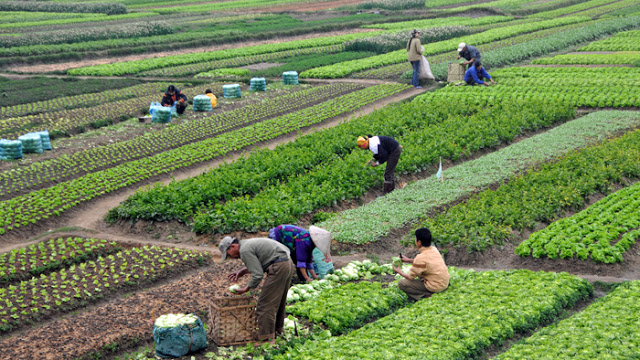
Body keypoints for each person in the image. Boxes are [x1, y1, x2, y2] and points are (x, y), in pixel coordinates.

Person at [219, 236, 295, 344]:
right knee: (278, 301)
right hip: (287, 263)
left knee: (265, 304)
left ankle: (267, 339)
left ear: (233, 246)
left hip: (279, 266)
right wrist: (244, 271)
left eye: (228, 253)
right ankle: (278, 329)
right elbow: (262, 261)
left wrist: (246, 288)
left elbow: (258, 274)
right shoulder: (247, 244)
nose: (230, 257)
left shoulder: (244, 250)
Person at [392, 227, 449, 302]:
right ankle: (428, 292)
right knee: (421, 274)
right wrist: (408, 260)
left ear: (419, 242)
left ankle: (425, 295)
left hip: (435, 286)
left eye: (415, 239)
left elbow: (410, 277)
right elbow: (426, 262)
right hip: (444, 283)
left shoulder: (420, 258)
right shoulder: (434, 249)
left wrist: (398, 271)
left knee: (402, 283)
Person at [267, 225, 332, 282]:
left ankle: (302, 279)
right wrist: (307, 278)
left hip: (291, 241)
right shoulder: (304, 242)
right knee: (278, 261)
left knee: (301, 260)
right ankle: (273, 279)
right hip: (278, 236)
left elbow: (308, 260)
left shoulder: (310, 242)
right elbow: (301, 261)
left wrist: (314, 276)